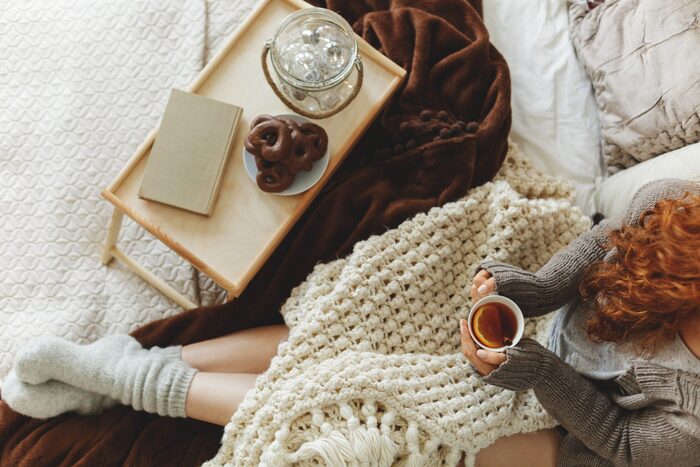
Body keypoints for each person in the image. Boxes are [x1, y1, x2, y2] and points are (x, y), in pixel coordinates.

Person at [3, 179, 699, 466]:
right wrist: (534, 287)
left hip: (564, 427)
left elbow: (620, 439)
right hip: (536, 318)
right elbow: (608, 238)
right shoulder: (683, 213)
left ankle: (138, 374)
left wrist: (535, 369)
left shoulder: (692, 421)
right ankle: (143, 365)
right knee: (356, 325)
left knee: (378, 415)